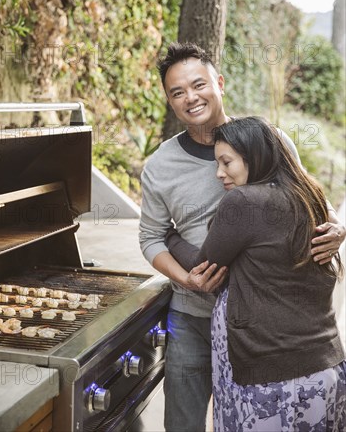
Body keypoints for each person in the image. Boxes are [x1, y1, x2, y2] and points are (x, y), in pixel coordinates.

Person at [139, 42, 345, 431]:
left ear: (219, 82)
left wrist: (337, 226)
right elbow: (152, 238)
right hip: (191, 316)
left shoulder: (270, 140)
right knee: (183, 423)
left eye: (198, 85)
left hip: (261, 324)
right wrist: (186, 280)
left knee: (244, 412)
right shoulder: (160, 165)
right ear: (168, 101)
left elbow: (306, 194)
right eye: (177, 92)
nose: (190, 98)